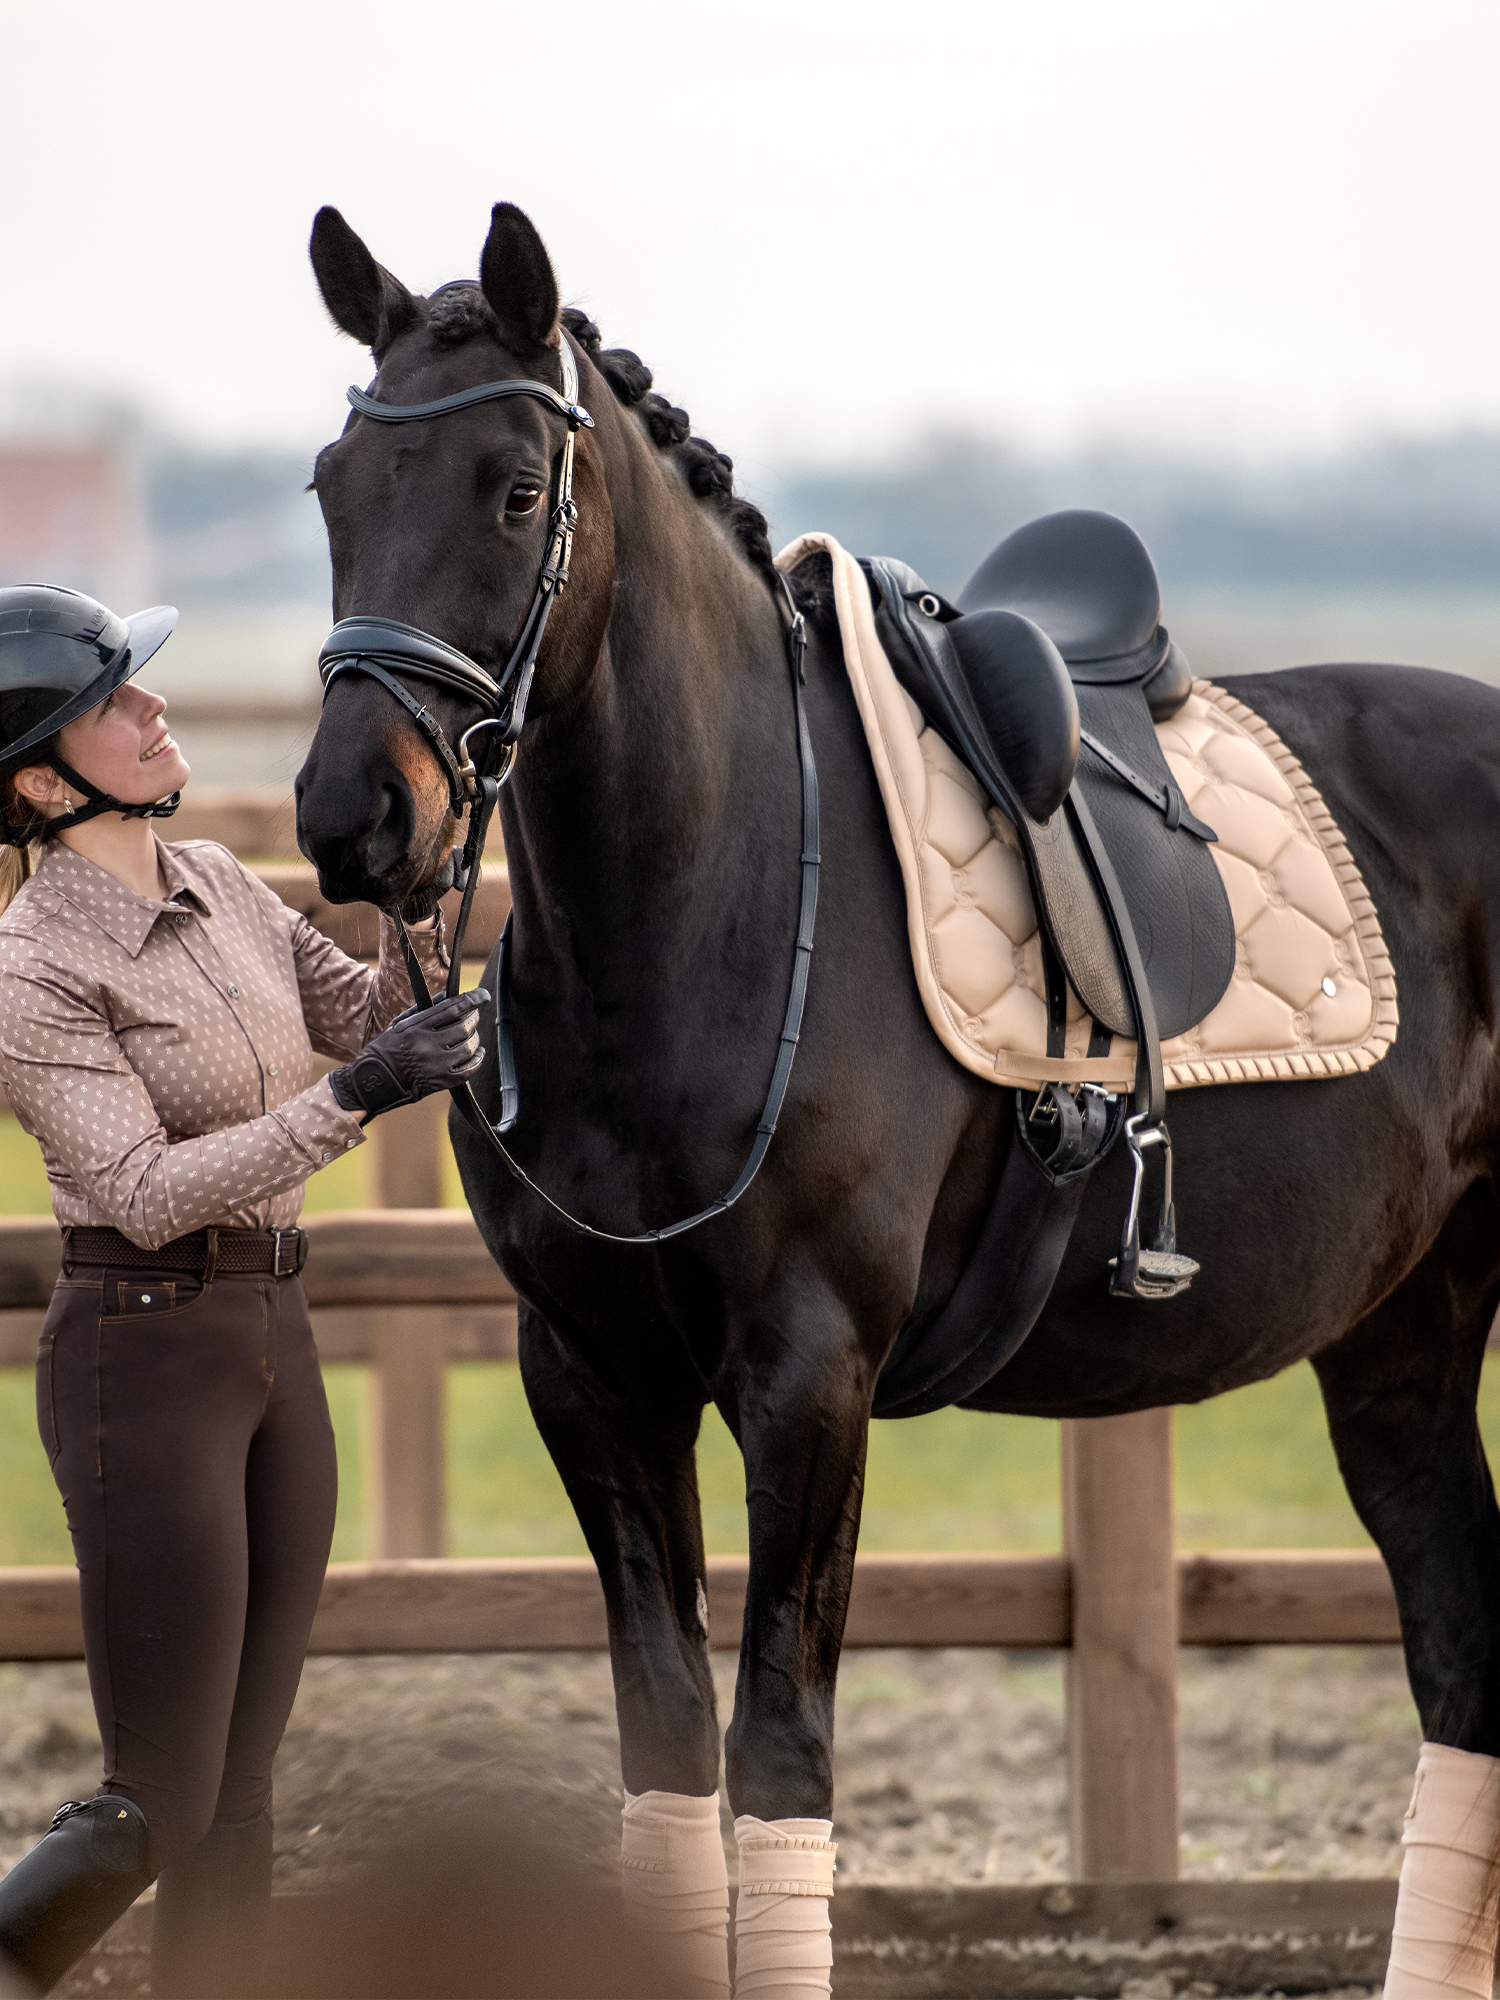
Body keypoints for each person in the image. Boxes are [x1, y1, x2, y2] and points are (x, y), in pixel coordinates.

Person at [0, 584, 488, 1996]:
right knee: (162, 1796)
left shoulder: (217, 879)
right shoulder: (31, 972)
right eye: (116, 703)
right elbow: (148, 1191)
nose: (155, 707)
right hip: (142, 1364)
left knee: (244, 1791)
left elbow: (373, 1020)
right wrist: (359, 1099)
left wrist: (419, 881)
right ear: (40, 779)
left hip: (275, 1332)